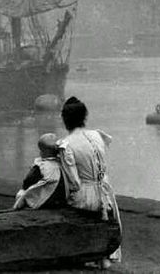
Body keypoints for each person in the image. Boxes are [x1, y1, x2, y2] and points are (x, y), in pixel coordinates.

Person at [58, 96, 122, 268]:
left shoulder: (66, 144)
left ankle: (78, 251)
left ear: (65, 120)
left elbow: (74, 182)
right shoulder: (97, 135)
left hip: (86, 196)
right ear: (84, 117)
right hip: (106, 193)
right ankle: (103, 255)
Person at [13, 132, 67, 210]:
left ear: (43, 152)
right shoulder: (62, 164)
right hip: (58, 199)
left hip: (43, 201)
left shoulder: (41, 166)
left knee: (21, 193)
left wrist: (24, 189)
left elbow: (28, 181)